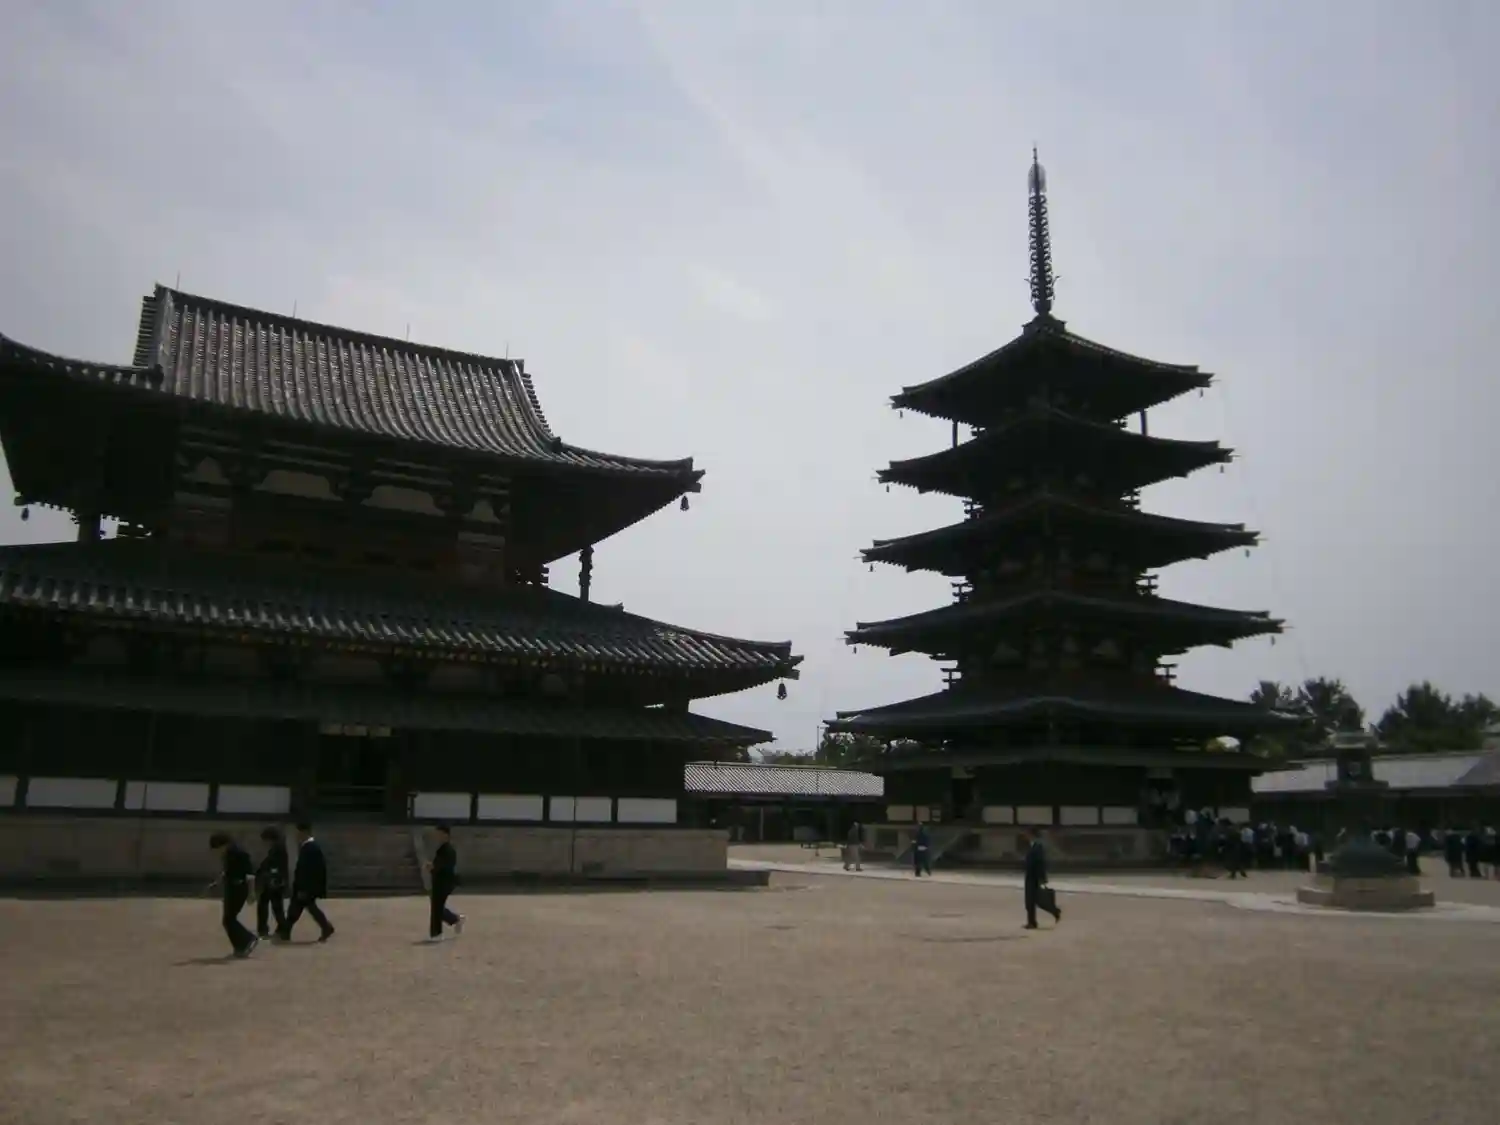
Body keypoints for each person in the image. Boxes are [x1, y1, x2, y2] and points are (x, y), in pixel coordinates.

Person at [277, 821, 334, 943]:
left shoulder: (311, 848)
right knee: (302, 908)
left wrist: (304, 888)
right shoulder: (307, 847)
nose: (297, 835)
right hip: (303, 886)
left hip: (305, 886)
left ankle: (285, 932)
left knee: (301, 908)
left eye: (298, 832)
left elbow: (311, 871)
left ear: (305, 832)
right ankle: (285, 932)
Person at [208, 831, 258, 958]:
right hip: (230, 888)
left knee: (229, 919)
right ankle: (240, 946)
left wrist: (251, 892)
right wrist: (217, 882)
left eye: (217, 849)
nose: (217, 852)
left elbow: (250, 874)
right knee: (228, 920)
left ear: (224, 845)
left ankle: (249, 939)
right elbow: (227, 871)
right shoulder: (227, 854)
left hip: (240, 888)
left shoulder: (241, 854)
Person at [424, 824, 465, 941]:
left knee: (436, 906)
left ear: (445, 835)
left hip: (444, 882)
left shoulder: (448, 850)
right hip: (441, 881)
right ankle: (455, 919)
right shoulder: (442, 849)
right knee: (437, 906)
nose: (437, 836)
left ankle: (437, 934)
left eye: (439, 834)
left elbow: (443, 865)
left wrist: (432, 866)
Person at [1022, 827, 1061, 929]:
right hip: (1030, 876)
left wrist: (1042, 878)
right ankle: (1032, 921)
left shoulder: (1038, 847)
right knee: (1030, 901)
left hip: (1034, 877)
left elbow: (1040, 863)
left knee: (1035, 900)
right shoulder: (1031, 845)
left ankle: (1054, 911)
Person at [255, 826, 289, 939]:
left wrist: (272, 876)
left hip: (274, 881)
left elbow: (276, 865)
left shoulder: (278, 849)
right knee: (274, 906)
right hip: (273, 881)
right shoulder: (276, 848)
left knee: (269, 906)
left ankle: (265, 929)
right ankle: (281, 928)